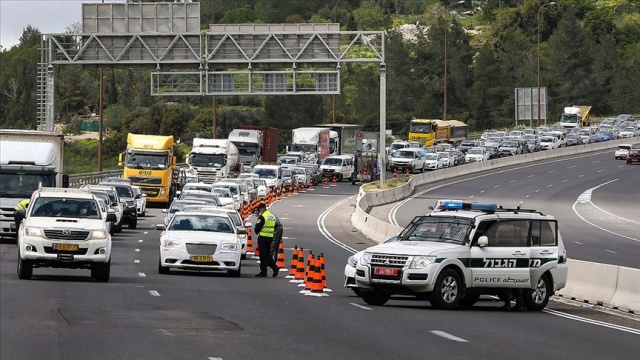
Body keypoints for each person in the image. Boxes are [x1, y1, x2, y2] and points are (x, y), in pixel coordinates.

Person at [253, 202, 280, 277]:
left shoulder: (263, 217)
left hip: (263, 237)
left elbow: (257, 228)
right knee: (267, 254)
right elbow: (275, 226)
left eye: (259, 210)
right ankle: (274, 268)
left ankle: (264, 271)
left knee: (262, 255)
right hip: (270, 237)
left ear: (262, 209)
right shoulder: (272, 216)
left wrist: (258, 232)